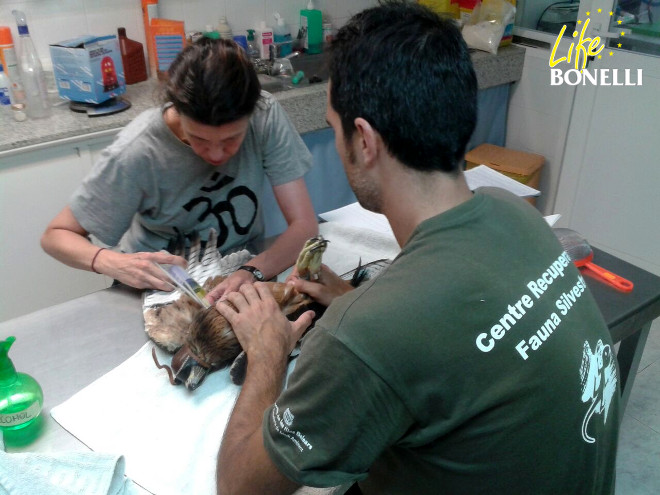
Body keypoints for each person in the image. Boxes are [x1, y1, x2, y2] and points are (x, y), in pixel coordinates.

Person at [214, 2, 620, 494]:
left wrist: (267, 351)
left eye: (333, 125)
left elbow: (239, 486)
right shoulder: (513, 212)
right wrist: (353, 302)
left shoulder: (365, 336)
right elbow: (459, 339)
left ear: (363, 140)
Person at [41, 38, 318, 298]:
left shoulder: (264, 115)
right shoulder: (138, 151)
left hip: (240, 274)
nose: (216, 154)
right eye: (198, 139)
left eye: (232, 138)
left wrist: (251, 271)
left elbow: (304, 226)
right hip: (157, 288)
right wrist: (111, 262)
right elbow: (55, 236)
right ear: (178, 113)